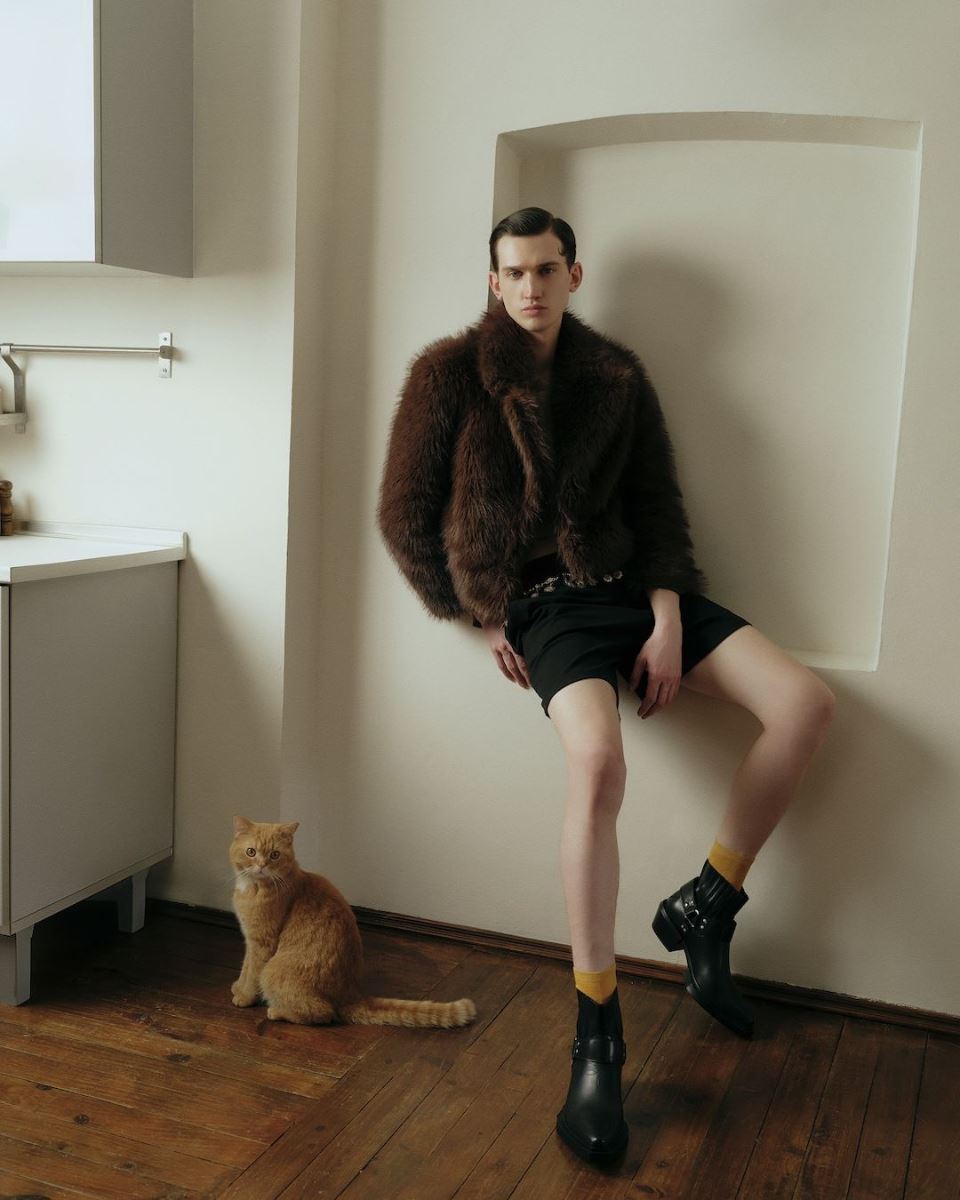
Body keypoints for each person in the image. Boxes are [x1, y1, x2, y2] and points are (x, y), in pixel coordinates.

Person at [377, 207, 836, 1166]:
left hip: (637, 590)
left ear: (574, 275)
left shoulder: (617, 376)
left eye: (547, 269)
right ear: (493, 280)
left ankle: (707, 904)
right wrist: (485, 613)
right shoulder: (447, 377)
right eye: (514, 272)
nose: (531, 287)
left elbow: (658, 504)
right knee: (597, 767)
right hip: (546, 608)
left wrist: (666, 614)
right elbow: (404, 519)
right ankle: (597, 1036)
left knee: (804, 704)